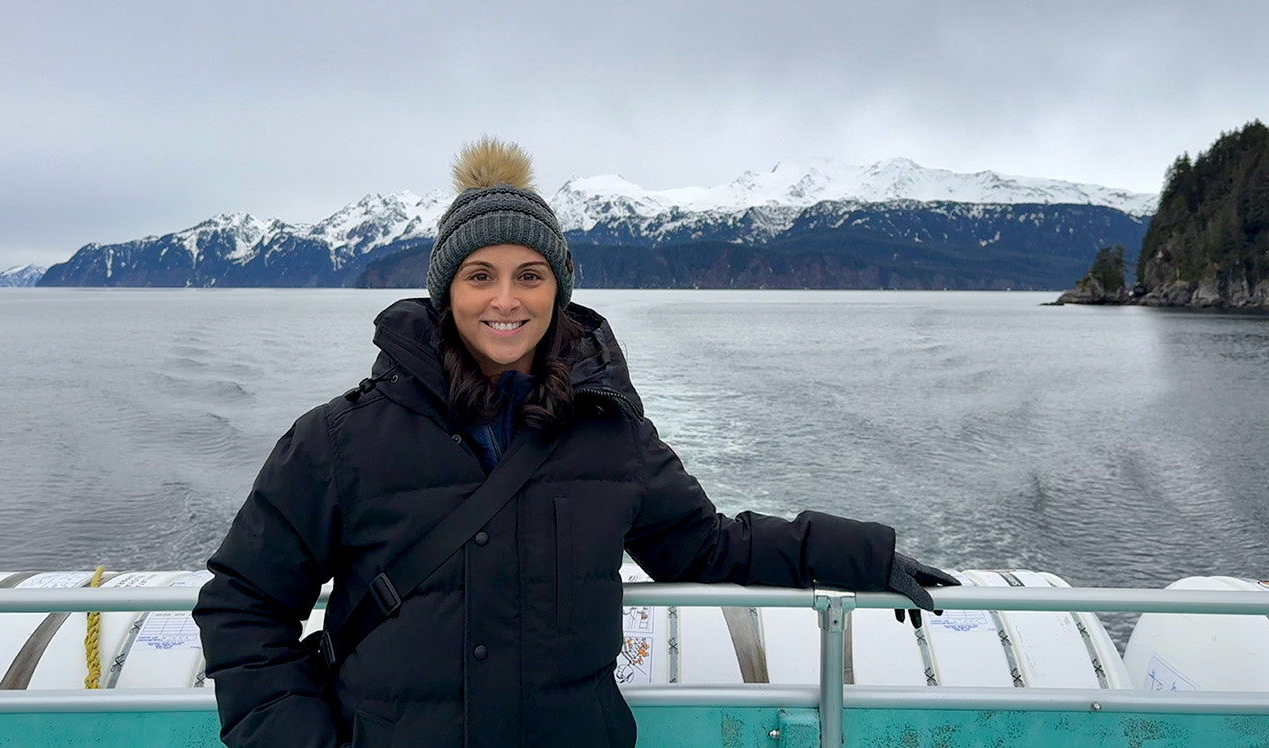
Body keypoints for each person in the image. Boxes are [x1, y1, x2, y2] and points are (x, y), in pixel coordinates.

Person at [193, 137, 958, 748]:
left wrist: (860, 555)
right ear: (444, 292)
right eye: (479, 276)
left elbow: (707, 549)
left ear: (558, 289)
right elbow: (243, 602)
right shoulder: (343, 440)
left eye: (529, 275)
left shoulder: (608, 433)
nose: (505, 300)